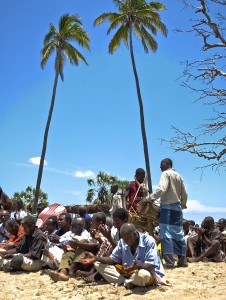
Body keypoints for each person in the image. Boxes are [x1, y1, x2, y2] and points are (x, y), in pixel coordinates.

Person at [80, 223, 170, 289]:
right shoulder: (123, 242)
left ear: (135, 234)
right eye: (123, 239)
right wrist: (95, 258)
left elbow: (150, 265)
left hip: (147, 273)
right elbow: (112, 259)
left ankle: (128, 282)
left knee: (143, 275)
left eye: (127, 239)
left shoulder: (149, 241)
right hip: (128, 274)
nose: (125, 241)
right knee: (98, 264)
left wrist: (137, 266)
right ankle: (128, 282)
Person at [139, 158, 188, 268]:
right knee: (179, 233)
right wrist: (183, 205)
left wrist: (149, 198)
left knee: (166, 233)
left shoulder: (165, 174)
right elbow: (184, 193)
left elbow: (162, 189)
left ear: (168, 164)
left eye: (162, 164)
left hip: (167, 207)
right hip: (177, 208)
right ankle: (182, 260)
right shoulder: (179, 176)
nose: (160, 167)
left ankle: (170, 262)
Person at [47, 212, 107, 282]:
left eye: (93, 221)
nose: (91, 223)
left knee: (82, 242)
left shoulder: (104, 232)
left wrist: (77, 244)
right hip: (81, 254)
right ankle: (62, 273)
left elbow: (98, 246)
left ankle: (71, 272)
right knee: (68, 253)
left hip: (93, 257)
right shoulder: (91, 232)